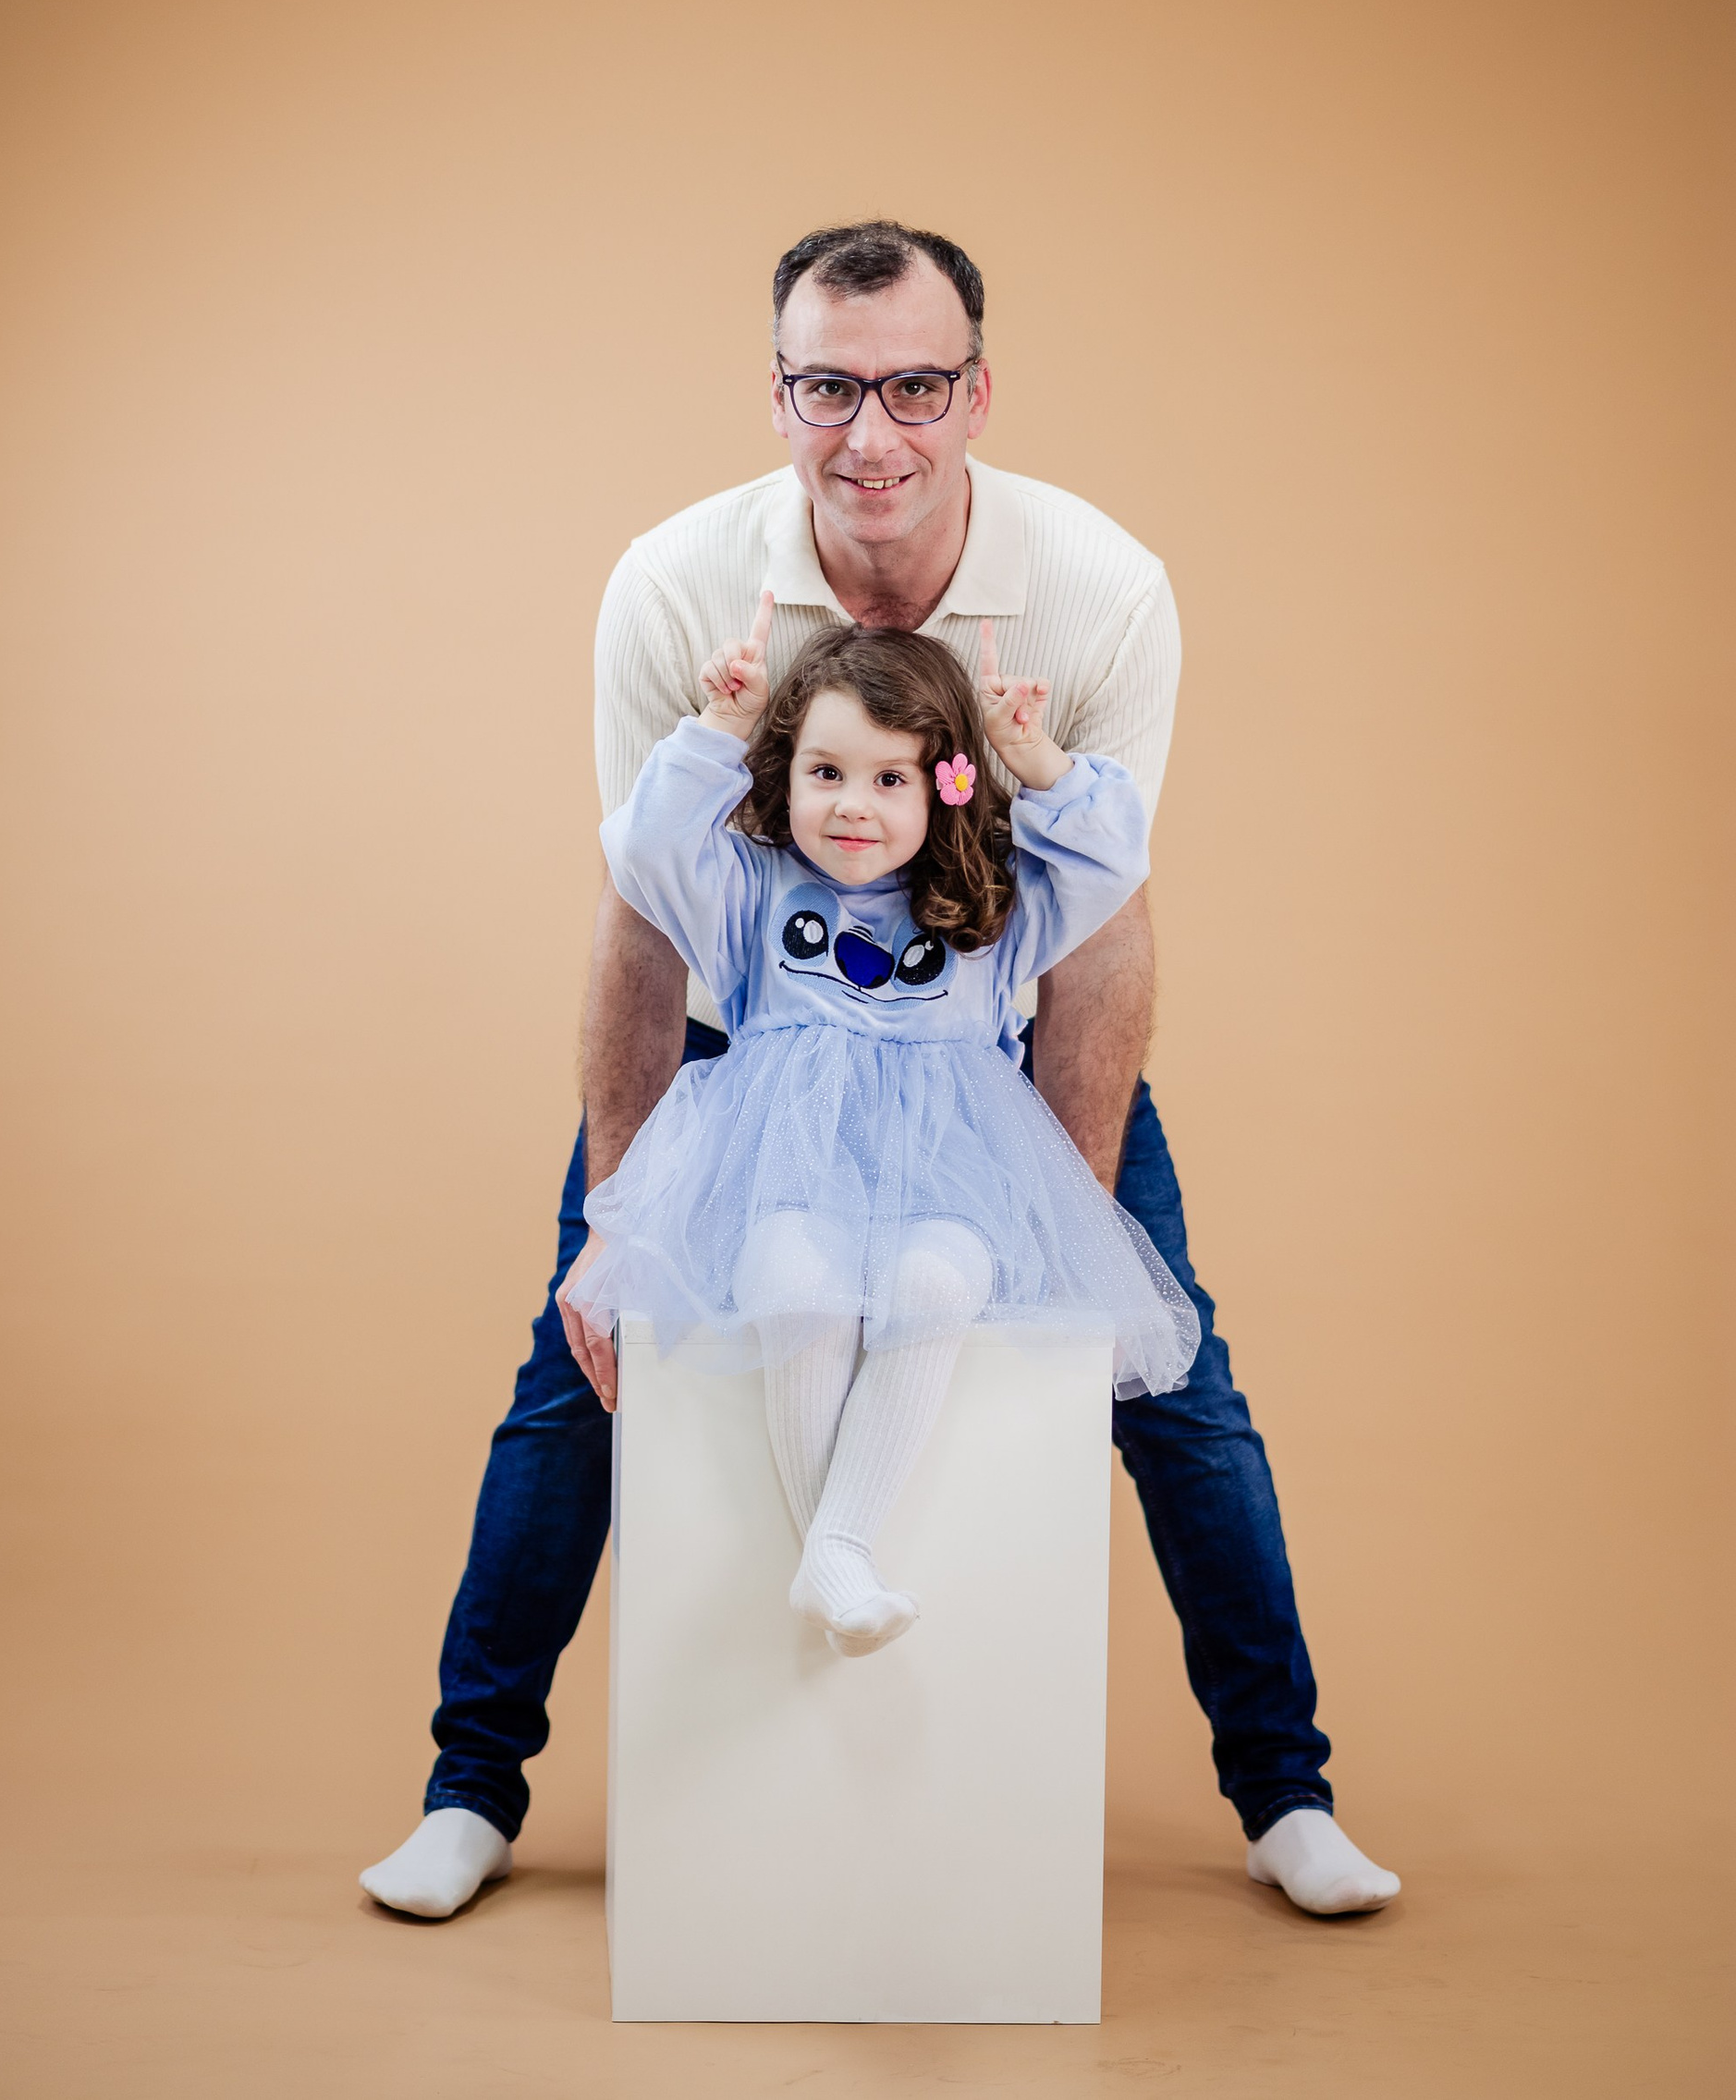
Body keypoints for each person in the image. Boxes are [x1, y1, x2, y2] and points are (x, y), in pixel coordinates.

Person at [361, 220, 1400, 1922]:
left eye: (916, 386)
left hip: (977, 1045)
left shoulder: (1099, 590)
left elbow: (1100, 925)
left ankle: (1286, 1792)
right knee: (579, 1371)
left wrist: (1053, 1201)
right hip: (749, 1044)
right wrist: (622, 1211)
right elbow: (646, 913)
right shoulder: (677, 586)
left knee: (1177, 1387)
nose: (872, 433)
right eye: (829, 388)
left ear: (978, 393)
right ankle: (469, 1788)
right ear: (776, 394)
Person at [564, 615, 1202, 1654]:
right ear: (784, 775)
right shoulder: (752, 890)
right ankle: (842, 1553)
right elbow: (646, 849)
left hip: (950, 1184)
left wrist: (1035, 758)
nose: (852, 804)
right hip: (786, 1178)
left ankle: (834, 1547)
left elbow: (1111, 861)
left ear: (943, 786)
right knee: (793, 1285)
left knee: (937, 1287)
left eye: (890, 778)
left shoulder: (987, 909)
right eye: (825, 772)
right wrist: (717, 728)